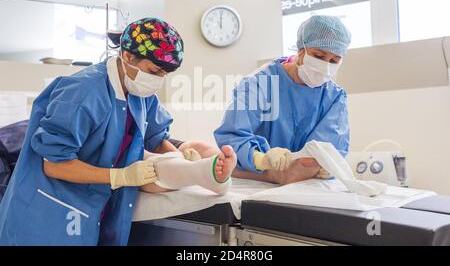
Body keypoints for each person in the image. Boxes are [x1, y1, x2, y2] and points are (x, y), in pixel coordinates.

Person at [0, 17, 236, 246]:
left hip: (91, 211)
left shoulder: (141, 94)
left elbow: (157, 138)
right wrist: (119, 176)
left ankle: (201, 174)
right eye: (153, 71)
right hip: (45, 215)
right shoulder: (84, 92)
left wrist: (178, 157)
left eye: (165, 75)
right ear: (127, 55)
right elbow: (53, 164)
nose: (157, 80)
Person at [214, 15, 352, 185]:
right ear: (301, 50)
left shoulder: (334, 97)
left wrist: (326, 164)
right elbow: (231, 135)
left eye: (334, 61)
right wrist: (261, 159)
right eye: (318, 56)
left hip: (305, 185)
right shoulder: (260, 84)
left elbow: (330, 146)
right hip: (256, 182)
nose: (325, 65)